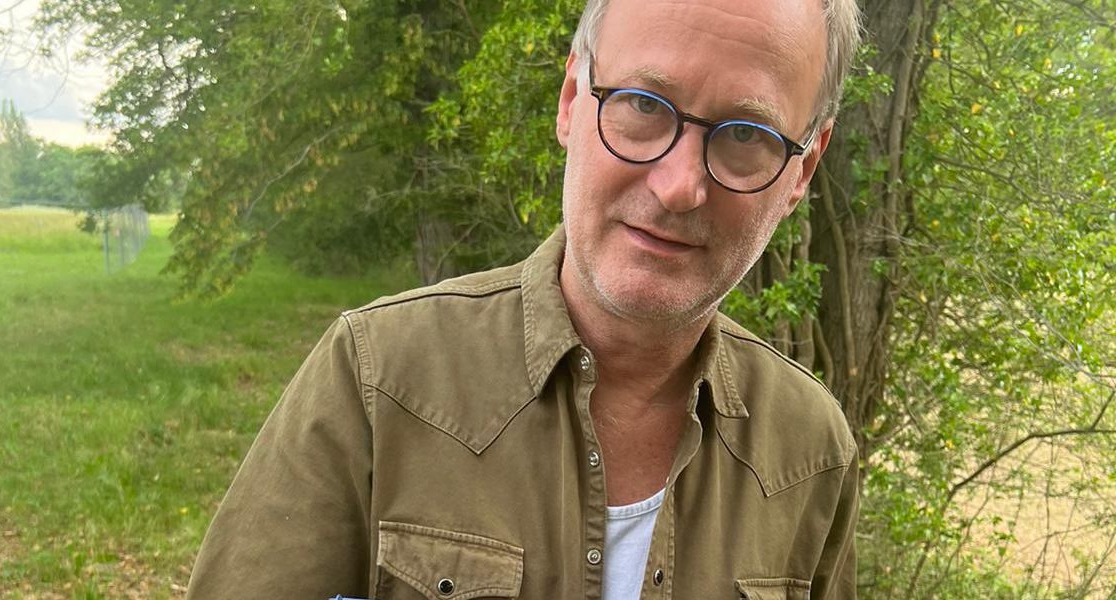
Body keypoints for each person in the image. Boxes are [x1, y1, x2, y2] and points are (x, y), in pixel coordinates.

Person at [185, 0, 862, 597]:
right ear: (572, 97)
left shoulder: (811, 451)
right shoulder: (378, 381)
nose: (679, 186)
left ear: (802, 168)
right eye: (644, 105)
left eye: (747, 134)